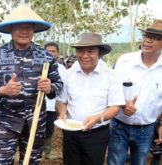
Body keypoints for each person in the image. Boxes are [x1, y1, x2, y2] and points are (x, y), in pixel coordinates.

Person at [0, 5, 62, 164]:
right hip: (6, 123)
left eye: (28, 27)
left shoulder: (46, 56)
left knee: (31, 162)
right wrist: (3, 90)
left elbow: (58, 85)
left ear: (34, 30)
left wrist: (50, 87)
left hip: (35, 122)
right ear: (10, 29)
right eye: (19, 27)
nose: (24, 31)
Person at [57, 32, 125, 165]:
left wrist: (98, 118)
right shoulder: (68, 74)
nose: (84, 55)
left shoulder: (111, 76)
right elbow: (62, 100)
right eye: (80, 51)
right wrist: (62, 113)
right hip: (71, 133)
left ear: (99, 54)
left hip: (97, 134)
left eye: (90, 51)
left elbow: (115, 106)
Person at [107, 19, 162, 165]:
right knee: (115, 162)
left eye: (156, 38)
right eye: (146, 36)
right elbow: (113, 89)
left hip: (147, 129)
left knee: (139, 162)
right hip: (119, 125)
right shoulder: (125, 61)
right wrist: (123, 105)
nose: (148, 41)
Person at [43, 42, 66, 159]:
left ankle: (47, 152)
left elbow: (64, 87)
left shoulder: (62, 69)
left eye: (53, 51)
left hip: (53, 106)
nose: (51, 54)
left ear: (58, 53)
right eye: (48, 51)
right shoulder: (39, 66)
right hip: (39, 105)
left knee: (49, 130)